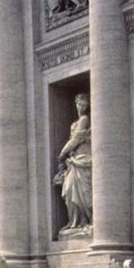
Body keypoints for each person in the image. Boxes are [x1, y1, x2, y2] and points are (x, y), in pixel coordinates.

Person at [56, 92, 93, 232]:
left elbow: (76, 138)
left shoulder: (84, 119)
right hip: (74, 159)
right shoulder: (75, 122)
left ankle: (84, 219)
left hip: (83, 157)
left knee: (84, 190)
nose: (80, 106)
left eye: (83, 104)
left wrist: (62, 153)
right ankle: (75, 220)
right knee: (70, 189)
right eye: (78, 103)